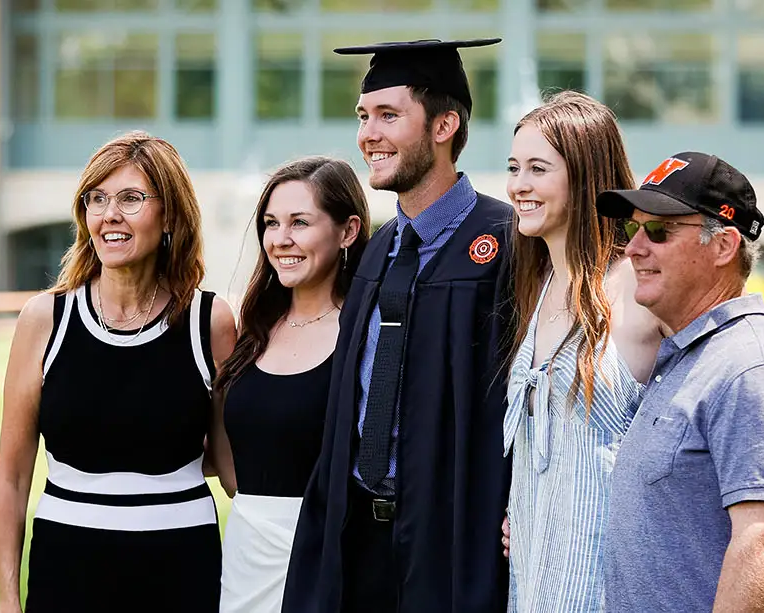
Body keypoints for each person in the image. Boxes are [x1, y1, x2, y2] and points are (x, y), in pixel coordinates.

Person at [283, 38, 517, 613]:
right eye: (364, 116)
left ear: (444, 126)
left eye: (389, 116)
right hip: (358, 537)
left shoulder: (508, 243)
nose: (368, 134)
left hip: (450, 541)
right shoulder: (381, 245)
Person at [0, 131, 237, 612]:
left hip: (182, 567)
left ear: (169, 215)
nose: (110, 215)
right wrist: (6, 601)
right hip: (67, 568)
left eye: (131, 198)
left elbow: (232, 467)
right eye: (96, 199)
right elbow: (12, 475)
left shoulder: (210, 321)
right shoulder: (45, 319)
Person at [597, 152, 764, 612]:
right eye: (633, 228)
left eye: (659, 230)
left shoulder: (753, 369)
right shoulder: (689, 358)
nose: (634, 248)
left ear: (723, 246)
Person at [500, 90, 660, 612]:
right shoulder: (537, 286)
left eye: (538, 169)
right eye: (514, 167)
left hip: (606, 586)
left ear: (586, 175)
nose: (519, 185)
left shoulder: (638, 287)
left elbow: (737, 366)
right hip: (533, 576)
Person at [212, 156, 370, 612]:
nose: (281, 240)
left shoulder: (365, 332)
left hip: (328, 556)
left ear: (348, 230)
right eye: (271, 223)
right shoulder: (255, 327)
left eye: (300, 223)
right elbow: (226, 438)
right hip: (246, 551)